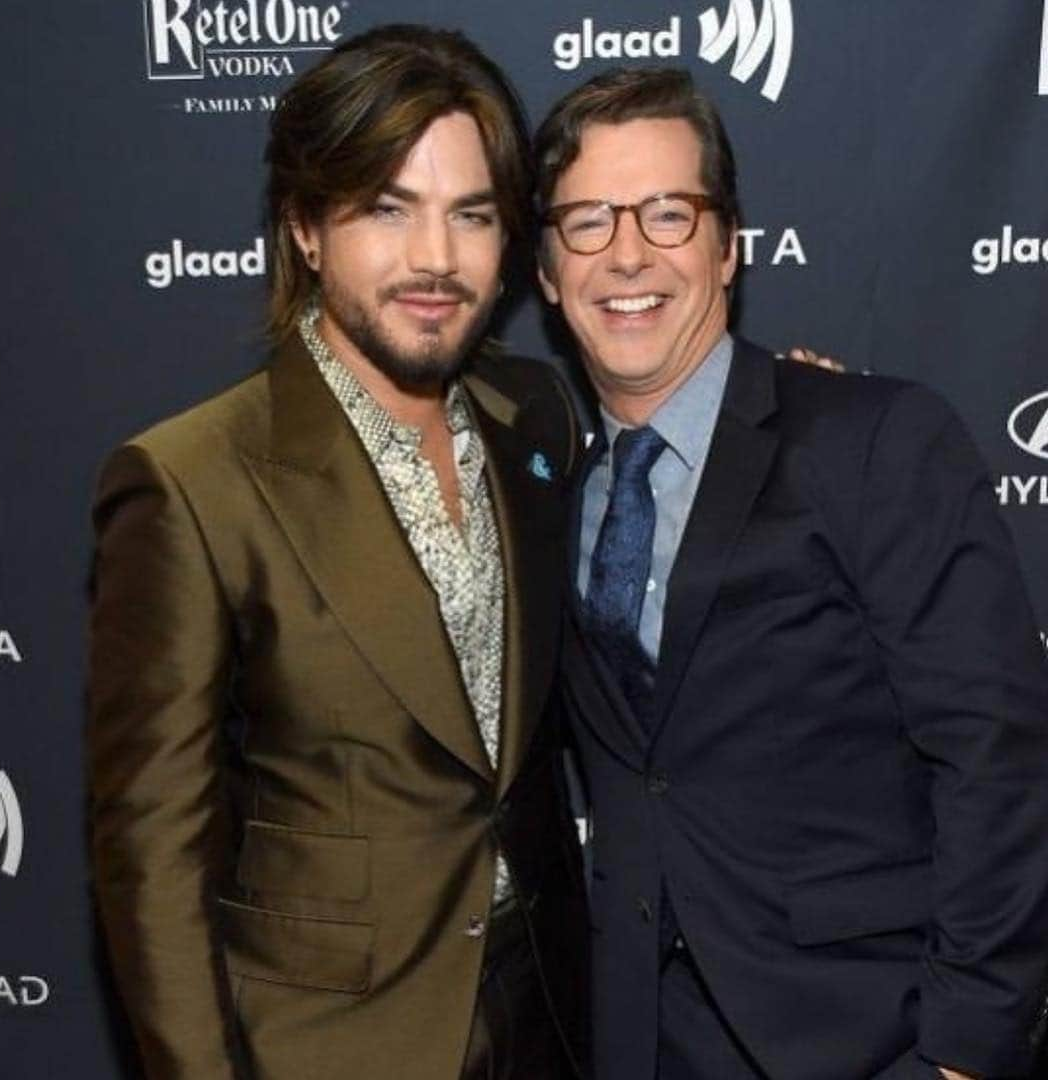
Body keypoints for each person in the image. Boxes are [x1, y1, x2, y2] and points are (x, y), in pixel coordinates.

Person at [88, 26, 588, 1080]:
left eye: (473, 216)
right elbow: (151, 858)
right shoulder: (192, 480)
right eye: (388, 210)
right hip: (332, 1044)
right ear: (307, 226)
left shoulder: (534, 416)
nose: (436, 261)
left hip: (545, 1009)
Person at [537, 67, 1048, 1080]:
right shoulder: (544, 485)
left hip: (873, 1036)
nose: (627, 252)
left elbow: (1000, 756)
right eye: (587, 220)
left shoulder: (871, 442)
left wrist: (962, 1054)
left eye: (668, 214)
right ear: (546, 271)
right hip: (641, 1042)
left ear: (729, 247)